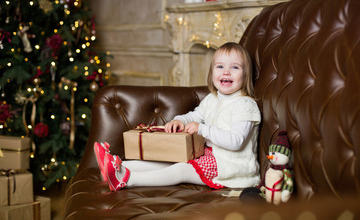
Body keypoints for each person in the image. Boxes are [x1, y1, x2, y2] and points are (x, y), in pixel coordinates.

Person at [94, 42, 261, 191]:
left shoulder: (245, 105)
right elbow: (196, 115)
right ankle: (116, 167)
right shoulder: (213, 99)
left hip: (231, 168)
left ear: (245, 75)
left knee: (181, 169)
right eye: (220, 67)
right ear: (211, 73)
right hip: (210, 156)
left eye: (235, 67)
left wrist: (202, 129)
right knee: (168, 159)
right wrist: (181, 120)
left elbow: (236, 141)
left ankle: (127, 179)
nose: (226, 72)